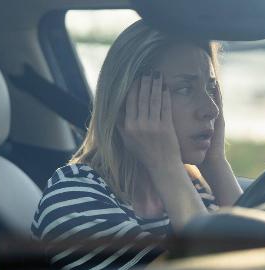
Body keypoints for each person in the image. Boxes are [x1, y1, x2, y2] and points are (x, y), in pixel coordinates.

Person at [31, 19, 243, 269]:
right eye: (185, 88)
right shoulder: (73, 200)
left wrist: (216, 162)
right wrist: (165, 165)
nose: (212, 109)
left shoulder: (197, 190)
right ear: (128, 104)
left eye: (210, 87)